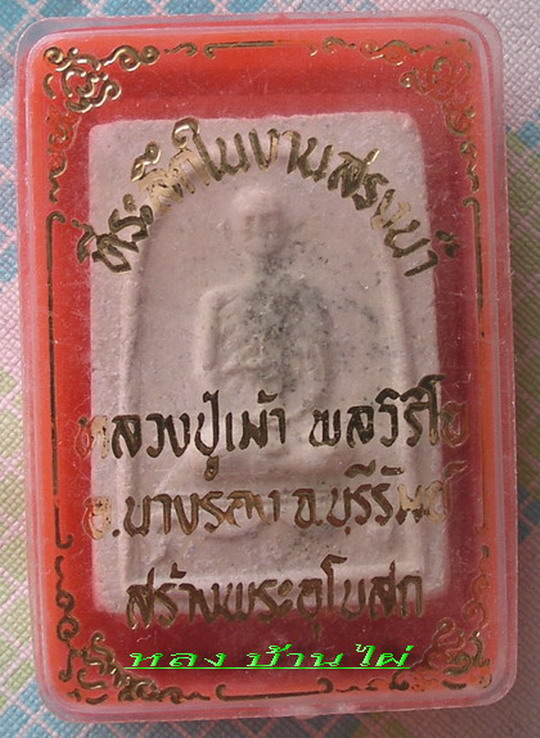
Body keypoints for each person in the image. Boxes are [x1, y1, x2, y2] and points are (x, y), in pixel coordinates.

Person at [196, 186, 333, 420]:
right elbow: (207, 369)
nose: (260, 227)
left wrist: (296, 412)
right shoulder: (216, 300)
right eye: (249, 220)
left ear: (287, 227)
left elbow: (319, 369)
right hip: (238, 421)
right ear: (228, 230)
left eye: (269, 218)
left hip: (300, 416)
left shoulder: (305, 295)